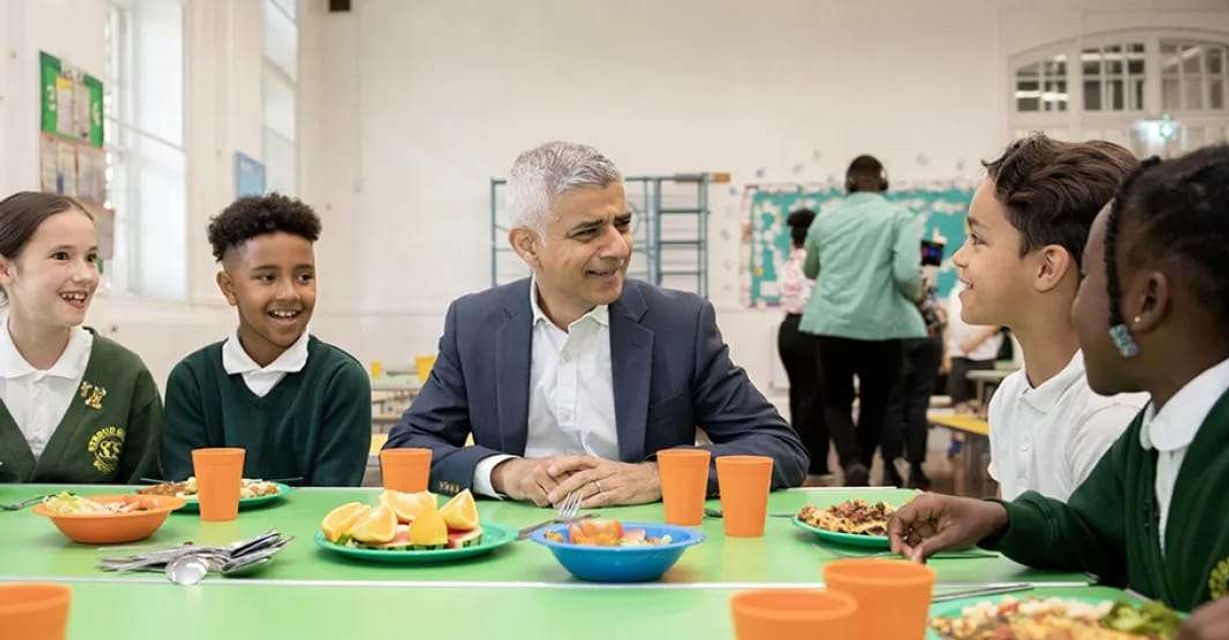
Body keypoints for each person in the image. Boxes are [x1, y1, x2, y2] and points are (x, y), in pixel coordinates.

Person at [888, 145, 1229, 640]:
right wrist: (998, 519)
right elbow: (1090, 532)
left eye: (1092, 288)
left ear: (1145, 304)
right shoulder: (1150, 435)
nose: (1077, 310)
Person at [387, 141, 808, 506]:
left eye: (622, 223)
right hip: (510, 547)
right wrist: (503, 474)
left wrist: (656, 477)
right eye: (589, 232)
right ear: (528, 246)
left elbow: (780, 448)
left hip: (648, 548)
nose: (618, 247)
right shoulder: (474, 324)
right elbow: (408, 449)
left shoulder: (681, 324)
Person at [956, 134, 1147, 501]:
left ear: (1047, 267)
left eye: (978, 239)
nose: (959, 258)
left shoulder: (1111, 416)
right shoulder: (1011, 397)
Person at [162, 193, 371, 485]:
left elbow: (332, 501)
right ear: (229, 287)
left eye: (304, 277)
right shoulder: (193, 380)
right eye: (267, 278)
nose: (289, 293)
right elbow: (187, 493)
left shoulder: (340, 380)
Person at [0, 192, 161, 483]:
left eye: (90, 258)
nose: (86, 275)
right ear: (4, 269)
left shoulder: (124, 375)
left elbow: (151, 495)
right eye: (61, 256)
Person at [801, 155, 925, 486]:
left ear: (848, 182)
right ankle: (864, 466)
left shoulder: (825, 219)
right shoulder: (900, 217)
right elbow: (906, 274)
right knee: (876, 401)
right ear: (882, 182)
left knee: (836, 400)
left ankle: (850, 460)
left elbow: (810, 269)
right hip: (882, 325)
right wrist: (918, 295)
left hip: (830, 323)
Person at [776, 208, 830, 483]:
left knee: (799, 395)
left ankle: (798, 457)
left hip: (787, 330)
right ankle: (817, 462)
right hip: (810, 329)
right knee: (816, 397)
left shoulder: (788, 261)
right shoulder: (814, 261)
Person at [881, 274, 944, 489]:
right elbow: (936, 315)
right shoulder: (921, 280)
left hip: (896, 337)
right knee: (918, 405)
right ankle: (916, 468)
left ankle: (891, 469)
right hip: (929, 336)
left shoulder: (884, 280)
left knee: (892, 405)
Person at [942, 279, 1002, 410]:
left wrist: (974, 343)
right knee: (959, 401)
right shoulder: (954, 292)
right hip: (958, 355)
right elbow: (949, 324)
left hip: (984, 355)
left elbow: (998, 321)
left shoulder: (989, 288)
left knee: (986, 403)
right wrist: (946, 352)